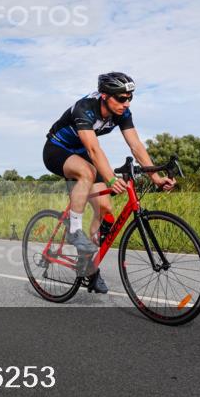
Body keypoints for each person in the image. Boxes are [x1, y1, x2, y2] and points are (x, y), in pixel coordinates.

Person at [43, 72, 176, 294]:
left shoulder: (122, 113)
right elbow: (94, 150)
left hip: (81, 152)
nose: (127, 103)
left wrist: (155, 178)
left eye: (130, 98)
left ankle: (88, 266)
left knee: (105, 210)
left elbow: (136, 146)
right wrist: (111, 179)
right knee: (87, 171)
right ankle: (74, 230)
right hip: (57, 150)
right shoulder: (85, 108)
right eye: (122, 98)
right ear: (105, 96)